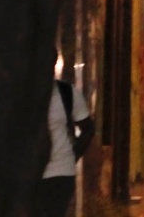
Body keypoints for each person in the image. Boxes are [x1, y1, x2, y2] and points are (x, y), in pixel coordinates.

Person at [39, 61, 93, 217]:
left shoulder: (66, 92)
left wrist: (73, 155)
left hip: (60, 172)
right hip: (29, 174)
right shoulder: (18, 96)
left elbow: (88, 129)